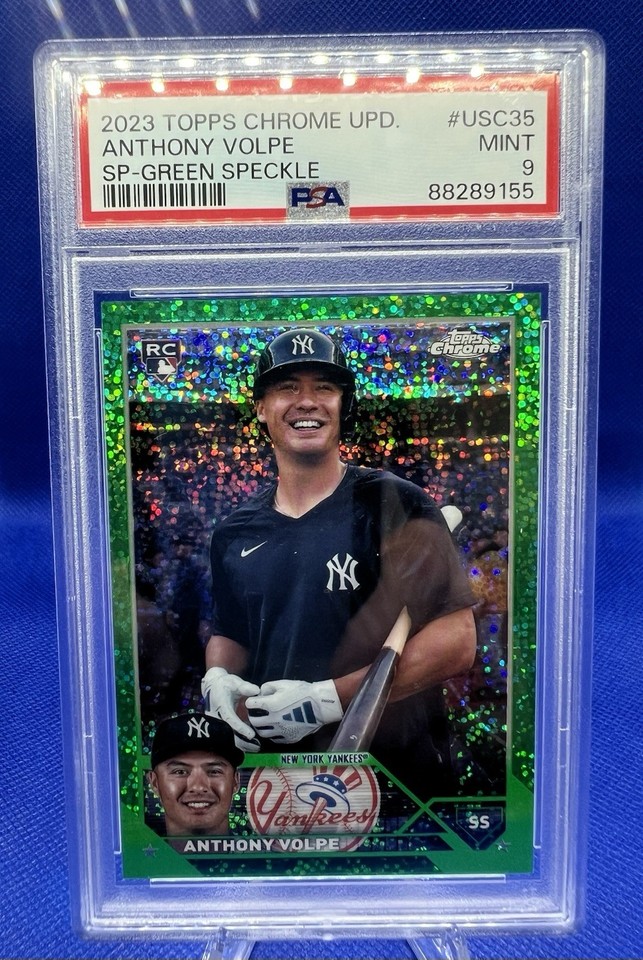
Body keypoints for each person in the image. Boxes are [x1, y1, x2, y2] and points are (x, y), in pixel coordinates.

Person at [201, 328, 476, 800]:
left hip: (394, 781)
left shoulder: (394, 503)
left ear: (343, 405)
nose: (307, 401)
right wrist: (219, 680)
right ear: (261, 408)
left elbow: (456, 643)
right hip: (278, 784)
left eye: (324, 388)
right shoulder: (234, 531)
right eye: (287, 388)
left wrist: (327, 699)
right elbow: (233, 633)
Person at [148, 712, 244, 836]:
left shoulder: (264, 848)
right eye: (180, 772)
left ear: (235, 781)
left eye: (214, 771)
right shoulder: (132, 848)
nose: (198, 787)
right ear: (155, 783)